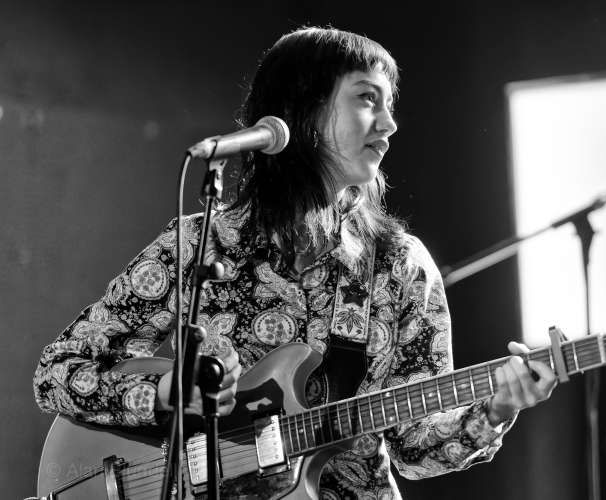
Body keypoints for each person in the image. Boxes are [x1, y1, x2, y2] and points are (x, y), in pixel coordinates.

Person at [33, 27, 557, 499]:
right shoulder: (199, 243)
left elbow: (414, 452)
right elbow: (57, 372)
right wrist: (166, 394)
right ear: (302, 110)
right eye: (366, 98)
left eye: (389, 103)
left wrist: (495, 409)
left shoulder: (399, 265)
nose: (390, 123)